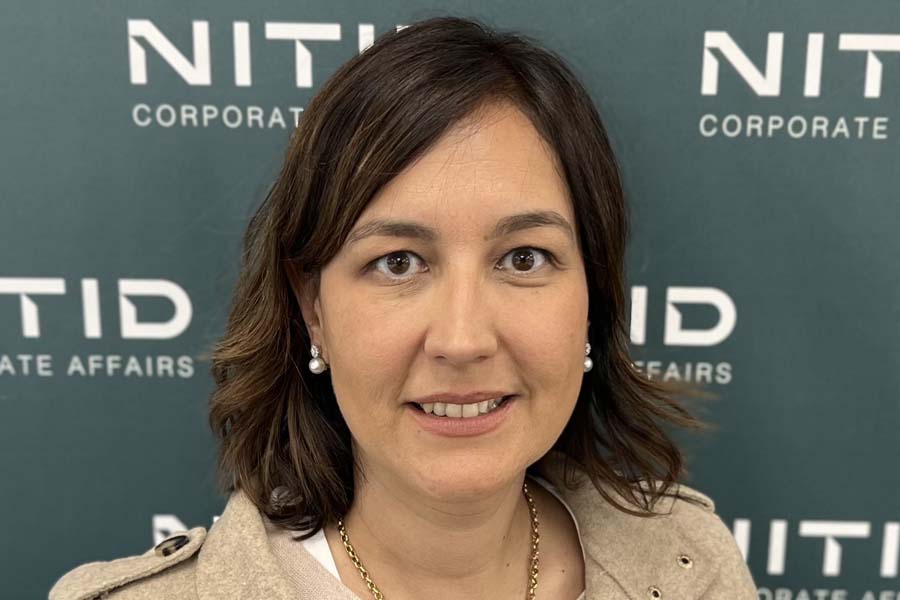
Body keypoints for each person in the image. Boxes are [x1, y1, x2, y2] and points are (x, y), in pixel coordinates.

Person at [50, 15, 758, 600]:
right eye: (398, 263)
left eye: (523, 258)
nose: (462, 339)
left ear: (593, 298)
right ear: (313, 309)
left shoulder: (692, 568)